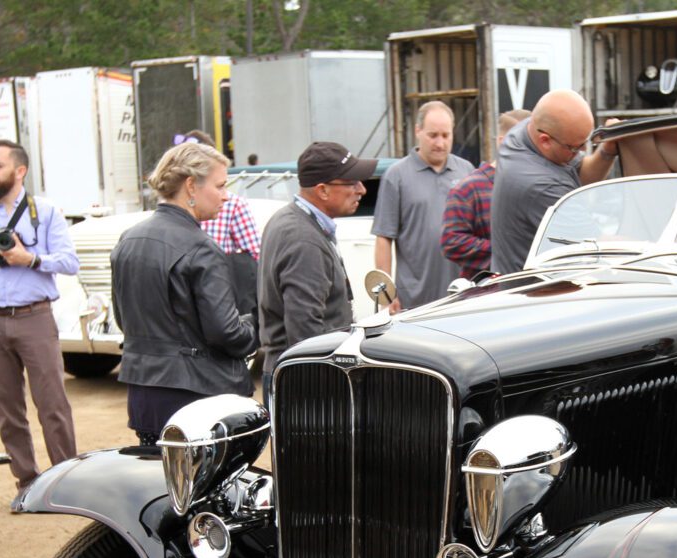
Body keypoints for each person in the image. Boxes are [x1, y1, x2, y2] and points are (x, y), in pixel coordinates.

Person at [0, 140, 79, 498]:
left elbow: (69, 261)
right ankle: (27, 483)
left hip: (35, 318)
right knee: (8, 408)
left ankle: (68, 485)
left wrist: (31, 259)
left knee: (52, 404)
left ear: (19, 171)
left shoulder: (46, 212)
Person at [110, 142, 259, 445]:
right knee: (207, 491)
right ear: (191, 185)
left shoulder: (128, 240)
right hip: (197, 399)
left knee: (159, 486)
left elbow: (124, 319)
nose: (226, 195)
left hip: (145, 394)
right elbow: (226, 332)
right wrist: (257, 325)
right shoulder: (201, 247)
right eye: (220, 185)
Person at [257, 141, 376, 401]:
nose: (362, 189)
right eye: (352, 182)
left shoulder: (289, 219)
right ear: (322, 190)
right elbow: (305, 331)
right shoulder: (303, 238)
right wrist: (324, 392)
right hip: (307, 383)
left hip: (292, 375)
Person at [489, 89, 620, 275]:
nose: (583, 149)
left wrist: (607, 150)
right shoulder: (541, 186)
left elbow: (582, 173)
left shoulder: (523, 132)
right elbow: (599, 246)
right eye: (575, 147)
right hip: (536, 294)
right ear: (545, 141)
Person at [372, 101, 474, 311]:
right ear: (418, 131)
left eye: (446, 136)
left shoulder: (466, 171)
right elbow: (384, 238)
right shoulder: (396, 176)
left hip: (461, 295)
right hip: (413, 300)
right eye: (433, 135)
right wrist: (386, 295)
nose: (440, 143)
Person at [178, 129, 263, 323]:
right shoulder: (172, 211)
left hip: (220, 300)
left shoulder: (232, 204)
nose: (223, 194)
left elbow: (255, 258)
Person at [440, 109, 529, 280]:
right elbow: (451, 241)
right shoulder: (468, 189)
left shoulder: (535, 186)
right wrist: (507, 252)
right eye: (526, 144)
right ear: (504, 142)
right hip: (488, 297)